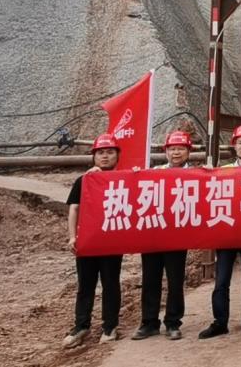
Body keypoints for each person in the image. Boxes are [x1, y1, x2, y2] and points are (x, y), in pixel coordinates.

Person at [199, 124, 241, 339]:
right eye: (240, 143)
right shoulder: (223, 171)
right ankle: (220, 322)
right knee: (221, 282)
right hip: (227, 234)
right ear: (234, 146)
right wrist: (205, 174)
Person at [63, 133, 125, 348]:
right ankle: (81, 326)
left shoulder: (123, 179)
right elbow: (74, 209)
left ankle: (110, 326)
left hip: (112, 242)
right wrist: (73, 236)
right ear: (94, 156)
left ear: (117, 156)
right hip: (88, 241)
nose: (105, 156)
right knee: (85, 285)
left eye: (109, 152)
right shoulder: (84, 180)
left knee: (111, 284)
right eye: (100, 153)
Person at [134, 130, 194, 341]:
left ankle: (173, 322)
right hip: (153, 234)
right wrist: (135, 175)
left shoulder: (196, 175)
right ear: (166, 151)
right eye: (172, 149)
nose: (176, 152)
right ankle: (149, 322)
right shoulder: (153, 172)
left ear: (188, 152)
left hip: (177, 237)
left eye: (180, 148)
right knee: (150, 279)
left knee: (175, 281)